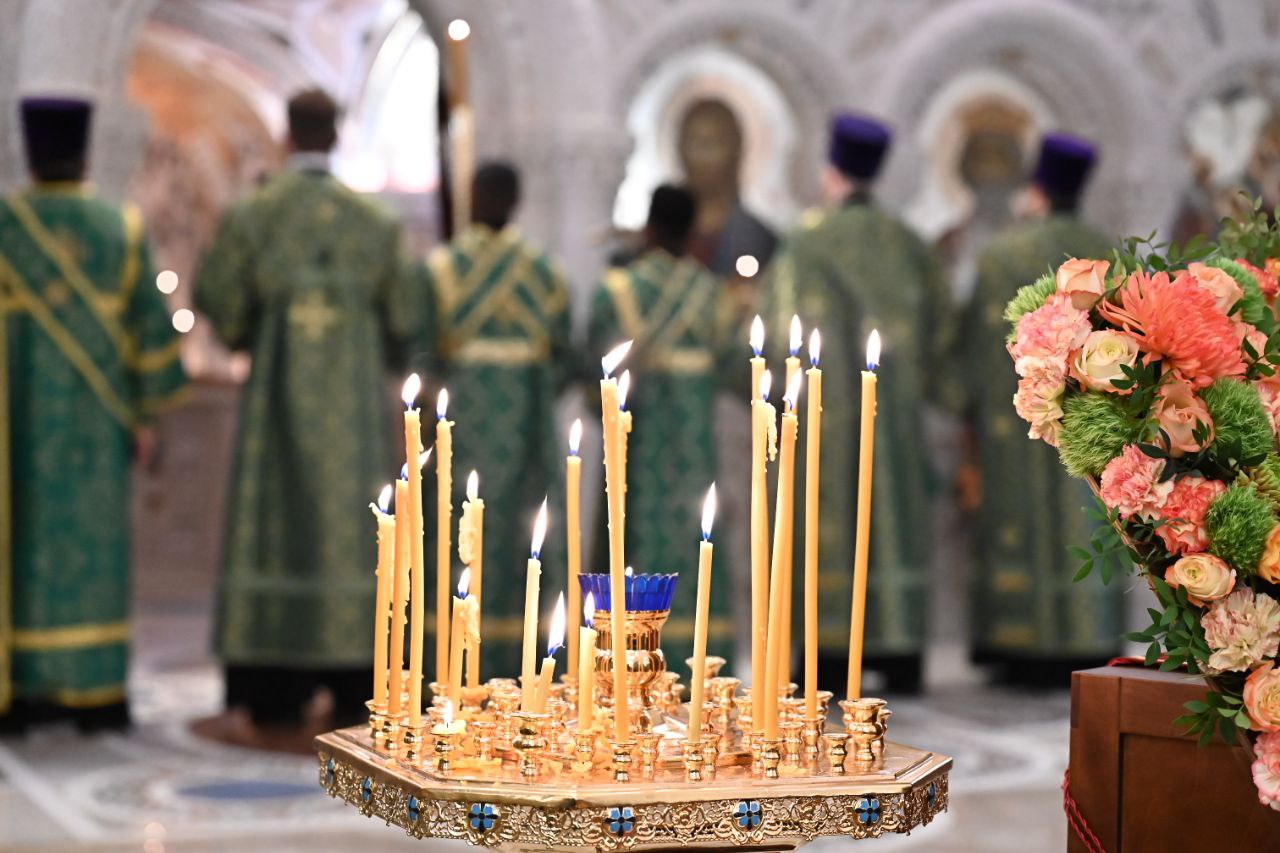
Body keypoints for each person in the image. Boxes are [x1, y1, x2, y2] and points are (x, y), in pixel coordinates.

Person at [196, 89, 420, 730]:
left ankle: (272, 687)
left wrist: (252, 333)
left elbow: (220, 297)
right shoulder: (373, 224)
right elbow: (406, 318)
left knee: (275, 523)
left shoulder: (255, 215)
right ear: (338, 134)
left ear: (288, 137)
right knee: (357, 526)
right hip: (350, 419)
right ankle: (357, 681)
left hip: (277, 409)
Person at [0, 97, 187, 732]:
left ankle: (23, 690)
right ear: (84, 152)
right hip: (95, 430)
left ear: (31, 153)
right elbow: (152, 337)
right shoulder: (120, 229)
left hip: (15, 428)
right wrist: (146, 418)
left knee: (22, 549)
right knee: (93, 549)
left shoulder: (5, 224)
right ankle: (96, 693)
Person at [762, 114, 951, 694]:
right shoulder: (908, 244)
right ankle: (899, 653)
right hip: (893, 419)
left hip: (823, 416)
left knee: (826, 519)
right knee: (890, 513)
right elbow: (940, 336)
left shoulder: (804, 240)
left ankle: (822, 653)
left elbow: (780, 335)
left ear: (830, 170)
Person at [955, 132, 1120, 685]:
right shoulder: (1111, 254)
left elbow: (980, 353)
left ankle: (1017, 645)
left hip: (1019, 425)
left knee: (1019, 522)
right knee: (1085, 514)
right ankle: (1087, 633)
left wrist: (967, 413)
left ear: (1038, 187)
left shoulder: (1003, 255)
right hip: (1095, 424)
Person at [415, 162, 572, 678]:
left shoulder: (441, 269)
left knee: (458, 536)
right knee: (525, 542)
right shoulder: (546, 273)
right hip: (529, 432)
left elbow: (421, 355)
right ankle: (524, 667)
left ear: (475, 197)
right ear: (516, 200)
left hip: (461, 426)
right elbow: (566, 357)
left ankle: (453, 668)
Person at [588, 184, 736, 661]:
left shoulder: (618, 289)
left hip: (638, 444)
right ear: (691, 232)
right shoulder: (710, 293)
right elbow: (734, 366)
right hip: (694, 448)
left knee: (630, 535)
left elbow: (596, 377)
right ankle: (704, 662)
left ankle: (627, 655)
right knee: (698, 535)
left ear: (649, 228)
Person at [678, 99, 778, 282]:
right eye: (693, 142)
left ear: (737, 150)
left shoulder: (758, 239)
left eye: (712, 143)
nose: (700, 155)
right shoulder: (655, 238)